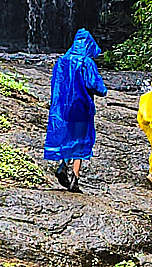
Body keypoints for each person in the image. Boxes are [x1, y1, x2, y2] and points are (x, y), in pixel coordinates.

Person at [44, 28, 108, 193]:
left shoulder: (62, 61)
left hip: (64, 106)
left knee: (69, 135)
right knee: (80, 139)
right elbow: (94, 85)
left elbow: (56, 84)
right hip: (81, 106)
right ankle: (74, 178)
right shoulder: (86, 62)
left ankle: (64, 165)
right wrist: (103, 90)